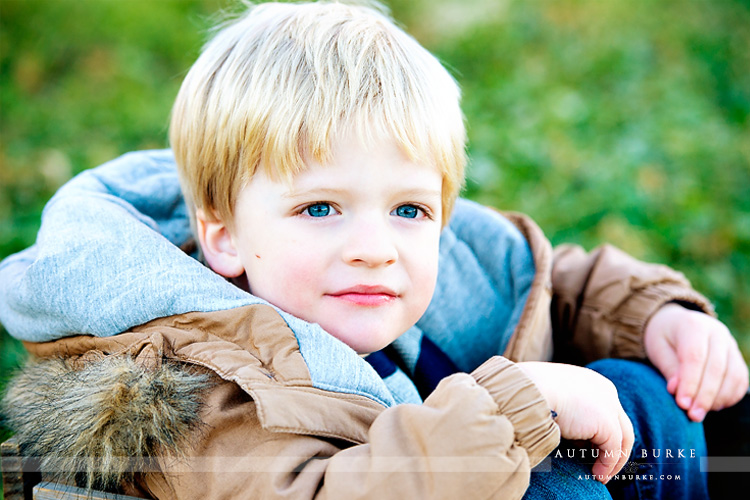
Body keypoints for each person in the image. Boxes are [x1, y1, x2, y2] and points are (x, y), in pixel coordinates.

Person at [1, 1, 747, 499]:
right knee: (551, 485)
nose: (374, 248)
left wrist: (660, 314)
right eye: (320, 207)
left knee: (661, 390)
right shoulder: (191, 392)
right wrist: (519, 404)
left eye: (409, 209)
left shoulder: (421, 269)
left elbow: (548, 283)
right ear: (222, 234)